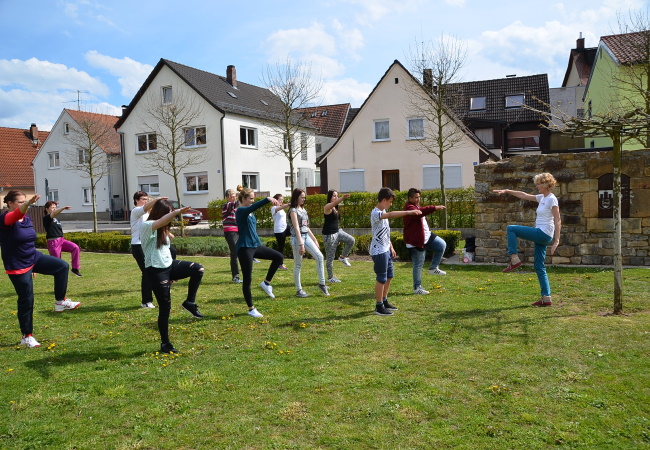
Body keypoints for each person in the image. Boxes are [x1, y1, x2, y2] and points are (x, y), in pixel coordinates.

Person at [0, 191, 80, 348]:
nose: (25, 204)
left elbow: (28, 239)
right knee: (27, 299)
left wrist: (34, 267)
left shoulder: (27, 218)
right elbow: (16, 215)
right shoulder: (5, 218)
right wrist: (28, 203)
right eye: (20, 202)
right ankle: (27, 336)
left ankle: (60, 302)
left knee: (62, 266)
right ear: (10, 204)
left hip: (33, 258)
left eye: (25, 201)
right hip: (18, 265)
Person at [141, 199, 205, 354]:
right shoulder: (147, 226)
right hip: (156, 270)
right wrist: (176, 212)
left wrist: (174, 273)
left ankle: (189, 302)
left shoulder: (163, 230)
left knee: (198, 269)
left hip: (169, 266)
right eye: (169, 213)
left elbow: (167, 247)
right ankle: (165, 344)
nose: (171, 217)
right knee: (165, 308)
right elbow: (162, 221)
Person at [493, 172, 562, 306]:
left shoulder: (552, 199)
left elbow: (558, 220)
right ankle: (546, 298)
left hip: (544, 233)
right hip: (542, 235)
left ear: (547, 184)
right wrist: (507, 190)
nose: (537, 186)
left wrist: (557, 240)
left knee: (511, 228)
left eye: (539, 183)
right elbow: (523, 195)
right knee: (539, 266)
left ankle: (514, 259)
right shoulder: (542, 197)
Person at [370, 187, 422, 315]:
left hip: (386, 250)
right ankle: (378, 306)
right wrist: (408, 212)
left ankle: (384, 300)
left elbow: (385, 233)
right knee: (381, 278)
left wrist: (391, 247)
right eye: (390, 201)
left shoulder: (383, 212)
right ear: (383, 200)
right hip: (379, 251)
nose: (391, 204)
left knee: (389, 276)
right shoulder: (376, 213)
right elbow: (391, 214)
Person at [235, 187, 284, 318]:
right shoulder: (240, 211)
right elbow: (253, 207)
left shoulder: (249, 212)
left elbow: (251, 228)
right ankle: (251, 309)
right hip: (244, 248)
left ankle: (266, 283)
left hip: (255, 246)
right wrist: (267, 199)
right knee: (247, 279)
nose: (252, 200)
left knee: (278, 257)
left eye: (253, 198)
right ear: (243, 199)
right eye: (250, 198)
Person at [403, 188, 447, 295]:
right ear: (410, 198)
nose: (418, 199)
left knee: (441, 245)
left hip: (427, 237)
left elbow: (421, 212)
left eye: (419, 197)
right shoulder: (409, 208)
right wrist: (434, 208)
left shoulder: (416, 206)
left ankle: (433, 268)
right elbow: (421, 212)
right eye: (416, 197)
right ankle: (417, 288)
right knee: (418, 264)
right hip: (416, 240)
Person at [288, 188, 329, 297]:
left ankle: (322, 283)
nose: (303, 199)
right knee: (298, 265)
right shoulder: (293, 210)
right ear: (296, 197)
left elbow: (306, 226)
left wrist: (314, 239)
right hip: (298, 239)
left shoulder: (303, 210)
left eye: (304, 197)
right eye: (302, 197)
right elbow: (296, 228)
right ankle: (299, 290)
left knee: (320, 257)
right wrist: (301, 244)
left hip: (306, 237)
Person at [130, 191, 166, 308]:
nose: (145, 201)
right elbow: (145, 208)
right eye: (143, 199)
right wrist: (157, 199)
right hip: (138, 245)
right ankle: (146, 301)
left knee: (151, 270)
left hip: (147, 244)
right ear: (136, 200)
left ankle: (158, 292)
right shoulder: (136, 211)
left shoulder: (146, 214)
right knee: (146, 272)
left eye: (146, 199)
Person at [322, 190, 356, 283]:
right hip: (329, 235)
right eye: (334, 196)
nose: (336, 198)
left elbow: (335, 222)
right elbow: (335, 202)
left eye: (337, 196)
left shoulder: (335, 209)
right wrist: (342, 198)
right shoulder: (327, 207)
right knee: (330, 258)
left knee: (351, 240)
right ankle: (330, 278)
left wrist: (338, 238)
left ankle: (343, 257)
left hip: (337, 232)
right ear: (329, 197)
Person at [42, 201, 82, 277]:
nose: (54, 209)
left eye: (55, 207)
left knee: (75, 248)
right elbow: (54, 214)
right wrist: (63, 208)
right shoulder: (46, 218)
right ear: (47, 209)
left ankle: (75, 269)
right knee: (58, 263)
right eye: (52, 207)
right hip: (53, 242)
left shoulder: (56, 220)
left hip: (61, 240)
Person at [222, 188, 243, 283]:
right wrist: (242, 192)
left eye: (235, 196)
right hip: (230, 232)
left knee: (240, 251)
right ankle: (235, 276)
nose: (234, 198)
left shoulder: (234, 207)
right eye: (232, 196)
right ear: (227, 198)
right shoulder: (227, 205)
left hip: (237, 230)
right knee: (234, 253)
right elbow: (238, 202)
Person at [271, 193, 290, 270]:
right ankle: (280, 263)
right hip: (279, 231)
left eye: (282, 200)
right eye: (280, 200)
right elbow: (280, 207)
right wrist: (289, 204)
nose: (281, 201)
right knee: (281, 248)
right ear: (275, 200)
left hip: (285, 228)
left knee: (296, 230)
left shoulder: (281, 208)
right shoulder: (274, 208)